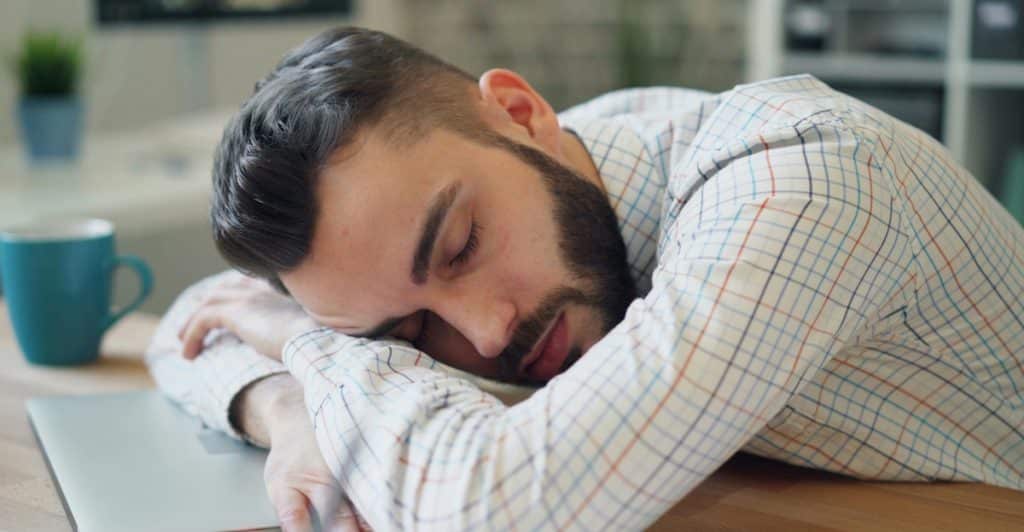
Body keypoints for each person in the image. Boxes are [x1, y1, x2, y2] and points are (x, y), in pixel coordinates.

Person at [145, 26, 1024, 531]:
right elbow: (191, 325)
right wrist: (288, 403)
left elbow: (496, 510)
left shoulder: (802, 176)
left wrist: (322, 354)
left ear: (524, 116)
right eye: (407, 331)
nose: (484, 337)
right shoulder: (536, 171)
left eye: (457, 247)